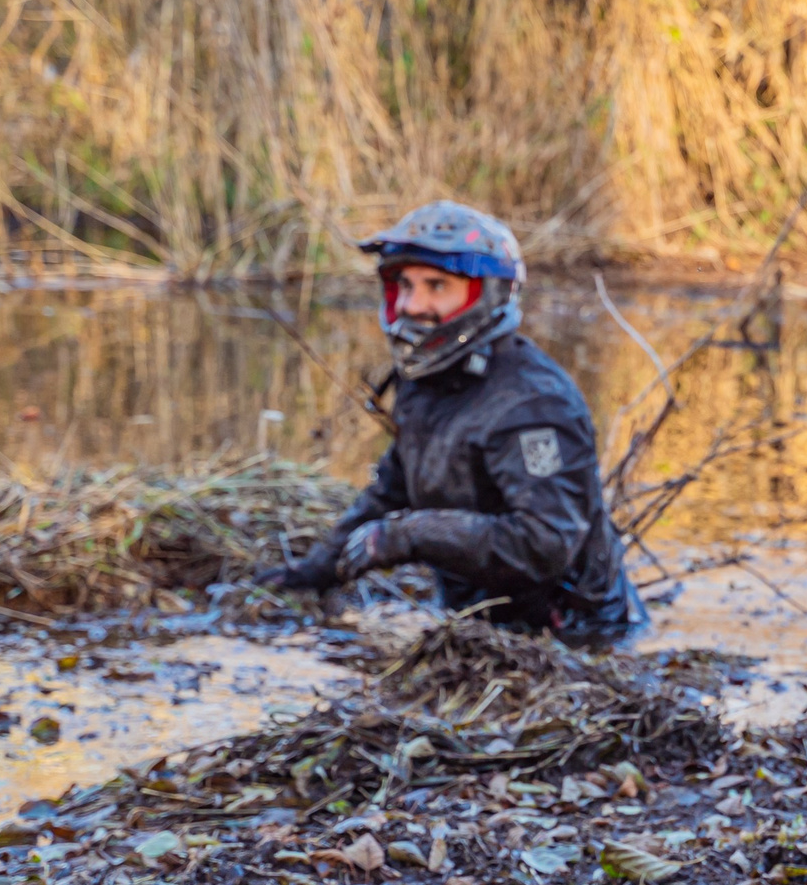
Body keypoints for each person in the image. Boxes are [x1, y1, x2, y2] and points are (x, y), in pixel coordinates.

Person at [260, 201, 646, 645]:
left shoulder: (535, 406)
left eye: (436, 286)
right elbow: (393, 488)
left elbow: (545, 543)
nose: (412, 305)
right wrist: (318, 569)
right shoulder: (426, 384)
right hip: (475, 628)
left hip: (573, 639)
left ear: (487, 294)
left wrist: (410, 535)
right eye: (404, 285)